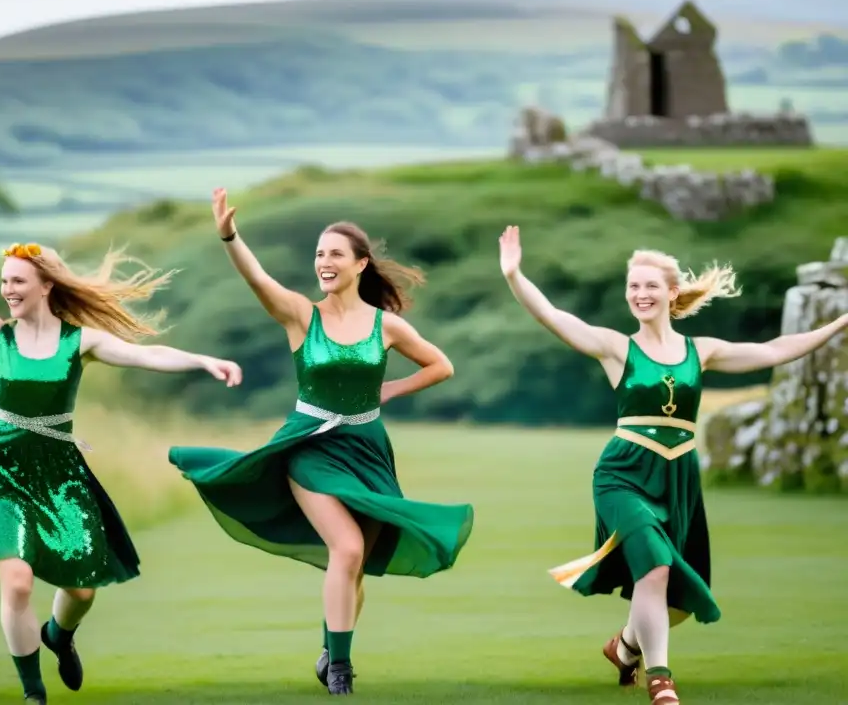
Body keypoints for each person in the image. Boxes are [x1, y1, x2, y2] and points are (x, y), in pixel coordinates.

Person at [0, 212, 243, 704]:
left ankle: (59, 634)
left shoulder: (81, 342)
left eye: (17, 281)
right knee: (16, 582)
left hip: (59, 476)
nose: (8, 290)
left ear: (45, 285)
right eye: (4, 281)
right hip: (0, 469)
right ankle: (34, 692)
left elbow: (147, 355)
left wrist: (203, 361)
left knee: (82, 592)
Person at [497, 224, 848, 705]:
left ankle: (624, 647)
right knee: (655, 568)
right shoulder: (617, 347)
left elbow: (773, 351)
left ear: (671, 292)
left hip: (679, 476)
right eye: (633, 286)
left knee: (676, 594)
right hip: (623, 473)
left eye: (649, 286)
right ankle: (661, 678)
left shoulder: (700, 350)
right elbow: (553, 316)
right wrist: (514, 274)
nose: (640, 294)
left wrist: (840, 322)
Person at [168, 189, 475, 695]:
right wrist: (229, 236)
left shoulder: (387, 325)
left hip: (368, 449)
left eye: (335, 253)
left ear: (360, 264)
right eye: (319, 253)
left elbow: (442, 366)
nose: (324, 262)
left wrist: (392, 389)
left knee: (354, 568)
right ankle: (341, 669)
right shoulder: (300, 316)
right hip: (310, 446)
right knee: (348, 546)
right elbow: (257, 279)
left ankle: (329, 650)